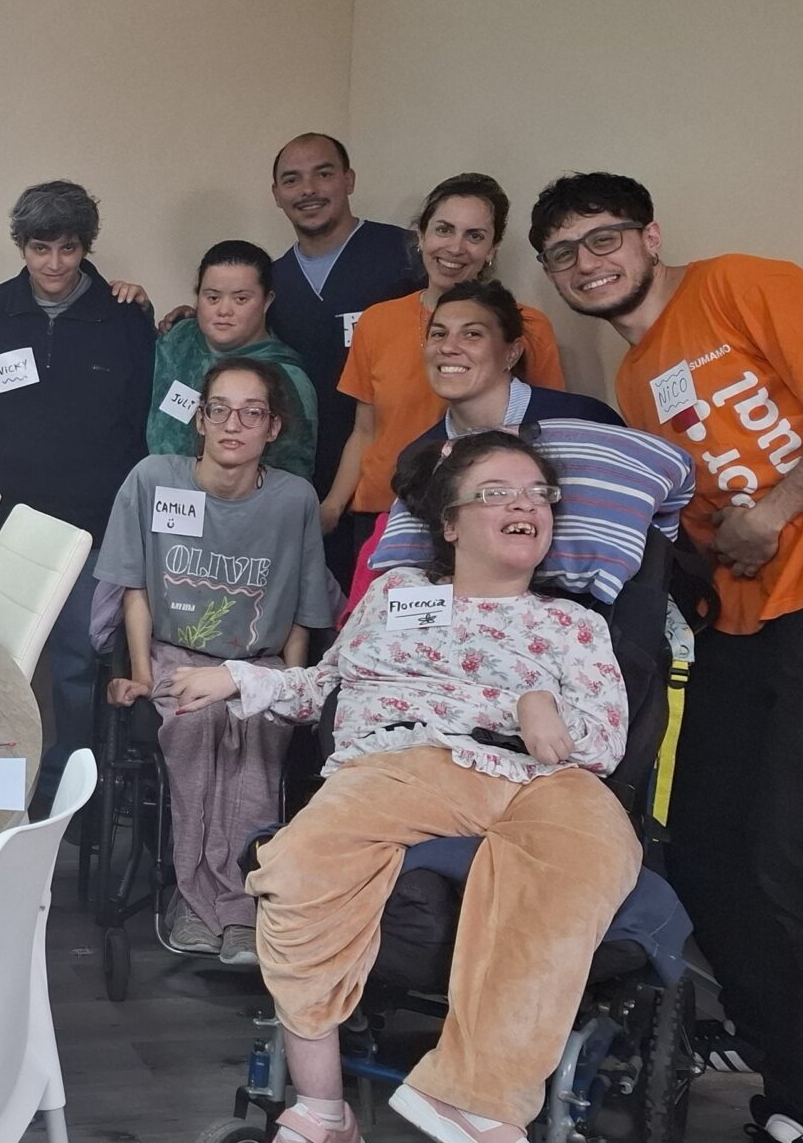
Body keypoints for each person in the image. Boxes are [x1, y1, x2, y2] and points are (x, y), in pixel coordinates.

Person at [530, 172, 803, 1143]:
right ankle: (774, 1046)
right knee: (699, 841)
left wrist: (774, 508)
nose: (586, 263)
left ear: (648, 237)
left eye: (602, 239)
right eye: (562, 254)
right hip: (749, 617)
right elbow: (699, 525)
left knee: (798, 851)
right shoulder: (635, 381)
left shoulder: (736, 283)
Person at [230, 432, 640, 1143]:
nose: (524, 505)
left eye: (538, 494)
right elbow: (324, 687)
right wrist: (241, 679)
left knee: (595, 847)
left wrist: (538, 704)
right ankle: (324, 1110)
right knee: (298, 867)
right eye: (497, 492)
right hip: (410, 761)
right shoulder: (398, 594)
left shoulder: (574, 625)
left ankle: (474, 1098)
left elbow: (603, 743)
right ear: (450, 523)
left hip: (542, 779)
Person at [98, 356, 329, 966]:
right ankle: (197, 903)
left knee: (256, 731)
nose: (233, 424)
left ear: (273, 428)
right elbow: (135, 588)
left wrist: (293, 689)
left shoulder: (294, 500)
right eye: (220, 410)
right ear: (199, 419)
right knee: (197, 723)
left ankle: (241, 907)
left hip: (258, 663)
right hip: (176, 654)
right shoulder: (154, 479)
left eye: (252, 414)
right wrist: (142, 674)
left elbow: (303, 610)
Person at [0, 180, 154, 807]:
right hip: (5, 525)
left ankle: (64, 794)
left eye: (68, 249)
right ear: (21, 247)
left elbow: (150, 412)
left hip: (91, 527)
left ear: (86, 247)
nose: (54, 264)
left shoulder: (122, 317)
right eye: (40, 249)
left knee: (77, 662)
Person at [325, 174, 567, 563]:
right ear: (421, 236)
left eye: (475, 236)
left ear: (492, 249)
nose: (455, 247)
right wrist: (333, 506)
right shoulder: (376, 321)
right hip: (383, 512)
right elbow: (365, 431)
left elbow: (549, 432)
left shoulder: (527, 327)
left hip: (482, 515)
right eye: (443, 229)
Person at [262, 133, 424, 523]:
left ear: (348, 180)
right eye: (292, 180)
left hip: (399, 478)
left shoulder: (406, 255)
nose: (308, 190)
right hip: (306, 475)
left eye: (323, 174)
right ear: (276, 194)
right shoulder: (272, 282)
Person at [395, 279, 620, 471]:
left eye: (472, 334)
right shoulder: (421, 457)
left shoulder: (583, 421)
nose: (447, 347)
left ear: (512, 353)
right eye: (439, 334)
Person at [148, 239, 319, 482]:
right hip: (159, 494)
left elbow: (291, 477)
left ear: (267, 301)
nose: (224, 311)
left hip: (236, 502)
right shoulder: (177, 340)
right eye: (212, 298)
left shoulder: (285, 378)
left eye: (240, 299)